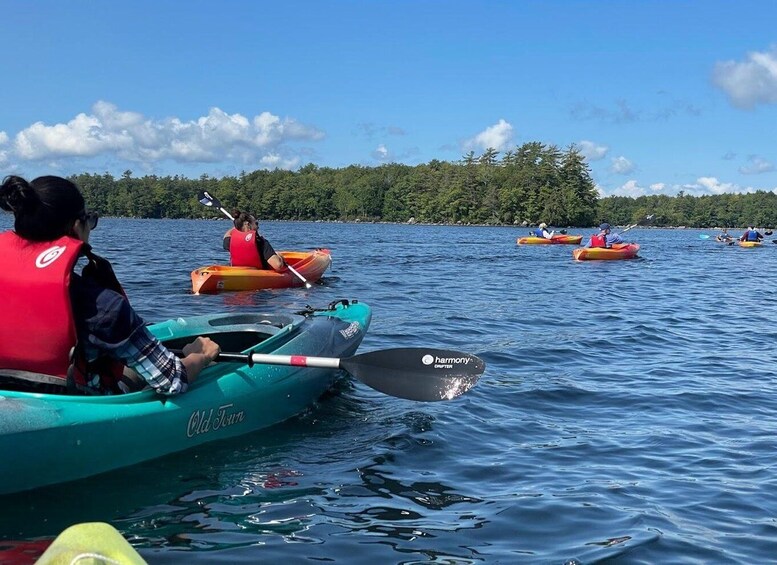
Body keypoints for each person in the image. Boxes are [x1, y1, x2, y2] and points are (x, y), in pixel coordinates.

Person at [0, 175, 220, 395]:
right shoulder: (102, 306)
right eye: (90, 220)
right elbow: (173, 380)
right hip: (73, 408)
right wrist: (199, 356)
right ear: (77, 227)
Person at [223, 210, 288, 272]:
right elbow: (278, 266)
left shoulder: (231, 241)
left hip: (238, 272)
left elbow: (226, 235)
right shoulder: (260, 242)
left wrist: (238, 226)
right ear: (247, 224)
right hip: (259, 275)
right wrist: (280, 257)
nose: (258, 227)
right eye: (256, 223)